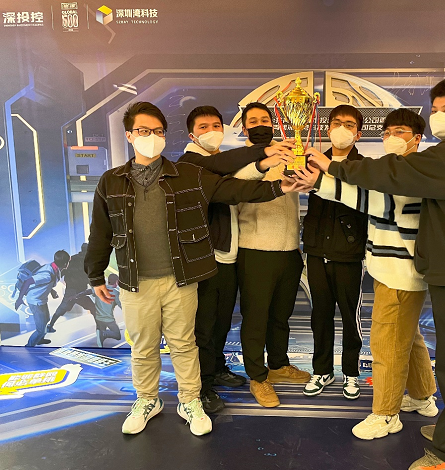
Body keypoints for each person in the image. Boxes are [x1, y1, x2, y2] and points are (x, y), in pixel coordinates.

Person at [302, 77, 445, 470]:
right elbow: (384, 188)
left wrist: (331, 168)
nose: (439, 116)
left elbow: (390, 177)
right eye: (436, 109)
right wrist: (326, 180)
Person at [84, 101, 302, 437]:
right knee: (142, 348)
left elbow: (234, 190)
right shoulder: (111, 181)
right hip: (134, 280)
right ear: (129, 135)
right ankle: (146, 399)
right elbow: (101, 230)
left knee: (185, 344)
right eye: (143, 130)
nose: (151, 137)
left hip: (181, 277)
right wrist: (95, 272)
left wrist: (280, 187)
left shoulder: (186, 175)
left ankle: (190, 400)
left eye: (157, 131)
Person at [297, 107, 438, 439]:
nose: (391, 137)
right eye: (387, 132)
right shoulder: (394, 169)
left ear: (417, 138)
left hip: (400, 272)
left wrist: (319, 183)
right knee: (409, 337)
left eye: (400, 132)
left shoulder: (416, 172)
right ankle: (423, 397)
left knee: (387, 344)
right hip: (390, 269)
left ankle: (386, 414)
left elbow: (375, 204)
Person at [178, 105, 295, 414]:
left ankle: (216, 368)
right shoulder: (191, 162)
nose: (212, 131)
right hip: (205, 257)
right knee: (204, 325)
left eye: (216, 125)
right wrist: (268, 163)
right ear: (191, 135)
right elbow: (233, 183)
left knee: (221, 321)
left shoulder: (220, 161)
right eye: (204, 127)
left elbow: (227, 169)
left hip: (227, 256)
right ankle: (201, 387)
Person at [235, 102, 311, 408]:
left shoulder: (288, 154)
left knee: (281, 317)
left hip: (289, 250)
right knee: (256, 319)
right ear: (244, 128)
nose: (260, 125)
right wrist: (265, 163)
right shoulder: (239, 159)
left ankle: (278, 365)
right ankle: (257, 376)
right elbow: (237, 187)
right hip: (255, 251)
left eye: (265, 120)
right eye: (253, 121)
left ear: (274, 123)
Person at [301, 104, 368, 400]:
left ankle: (351, 372)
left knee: (350, 318)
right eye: (337, 123)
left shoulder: (364, 166)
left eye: (349, 124)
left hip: (349, 253)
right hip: (317, 251)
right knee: (320, 315)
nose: (342, 129)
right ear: (328, 130)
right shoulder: (311, 161)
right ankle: (322, 370)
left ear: (358, 133)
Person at [15, 250, 71, 347]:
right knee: (41, 329)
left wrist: (51, 291)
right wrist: (19, 299)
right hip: (35, 301)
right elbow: (28, 282)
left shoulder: (52, 268)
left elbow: (46, 282)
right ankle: (29, 346)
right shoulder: (47, 275)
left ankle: (40, 340)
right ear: (65, 264)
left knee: (46, 319)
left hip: (41, 300)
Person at [47, 243, 96, 333]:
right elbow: (90, 276)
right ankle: (101, 327)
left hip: (73, 289)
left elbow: (63, 271)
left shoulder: (72, 259)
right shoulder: (88, 261)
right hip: (77, 290)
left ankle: (50, 325)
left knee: (62, 308)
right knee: (92, 308)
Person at [92, 273, 123, 347]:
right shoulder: (116, 293)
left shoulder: (99, 289)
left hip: (98, 318)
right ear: (117, 281)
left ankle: (101, 336)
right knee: (117, 335)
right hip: (109, 319)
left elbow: (91, 291)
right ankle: (103, 333)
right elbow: (121, 306)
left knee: (100, 337)